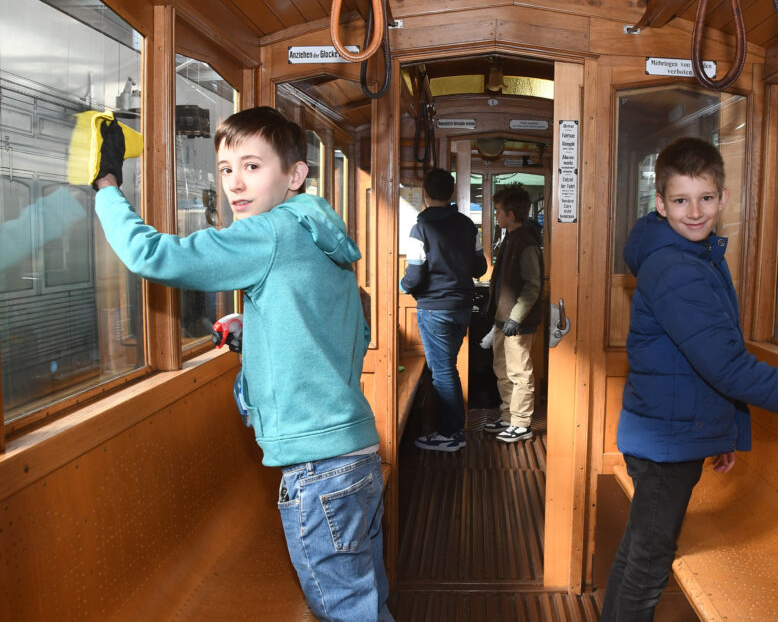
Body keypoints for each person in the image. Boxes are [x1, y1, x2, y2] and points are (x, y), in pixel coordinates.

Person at [91, 107, 392, 622]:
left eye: (253, 167)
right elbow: (346, 330)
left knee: (345, 612)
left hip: (316, 468)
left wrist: (106, 186)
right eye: (226, 169)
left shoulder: (267, 232)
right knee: (368, 599)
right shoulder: (317, 230)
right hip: (356, 456)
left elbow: (153, 256)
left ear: (294, 174)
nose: (235, 184)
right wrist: (256, 331)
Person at [601, 137, 778, 622]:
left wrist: (722, 430)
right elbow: (727, 367)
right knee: (647, 564)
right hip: (666, 442)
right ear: (660, 204)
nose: (695, 211)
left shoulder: (689, 253)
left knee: (640, 552)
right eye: (680, 200)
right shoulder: (677, 268)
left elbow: (704, 360)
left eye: (705, 198)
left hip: (670, 430)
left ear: (723, 198)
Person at [400, 168, 487, 452]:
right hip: (462, 307)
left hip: (434, 309)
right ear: (451, 194)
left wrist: (403, 286)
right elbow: (480, 268)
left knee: (443, 372)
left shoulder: (419, 229)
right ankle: (452, 430)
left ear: (425, 194)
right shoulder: (467, 225)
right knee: (447, 369)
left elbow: (414, 277)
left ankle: (451, 434)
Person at [483, 184, 544, 443]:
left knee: (519, 372)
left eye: (498, 211)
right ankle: (508, 416)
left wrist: (515, 318)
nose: (496, 216)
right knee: (502, 369)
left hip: (516, 322)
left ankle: (521, 423)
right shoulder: (510, 237)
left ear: (510, 213)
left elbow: (533, 286)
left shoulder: (527, 242)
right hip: (503, 319)